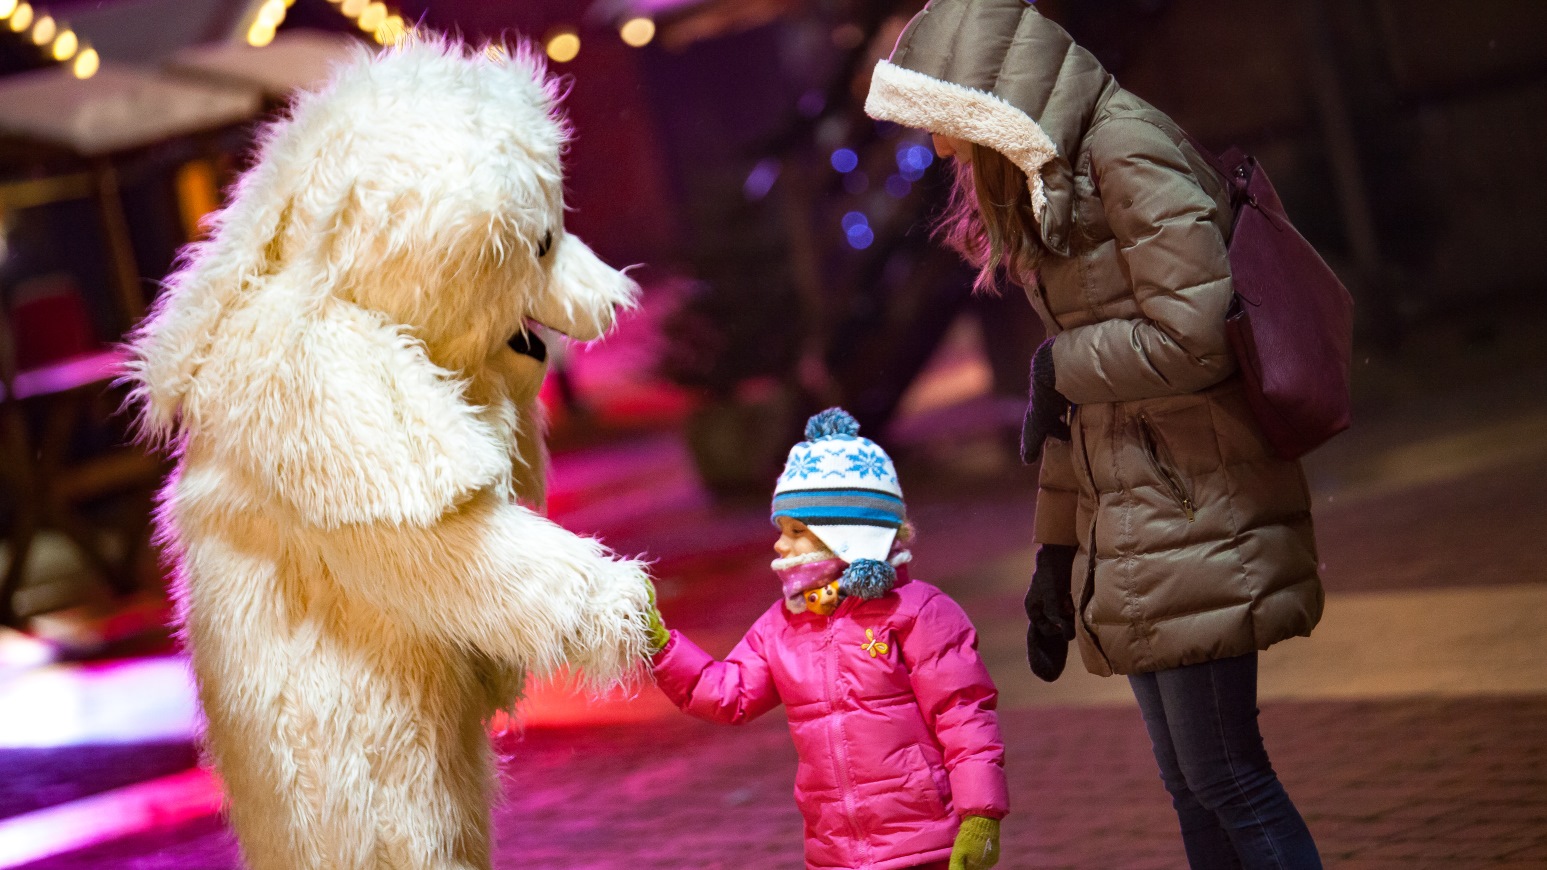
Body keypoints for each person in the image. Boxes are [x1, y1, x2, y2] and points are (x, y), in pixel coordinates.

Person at [863, 2, 1326, 869]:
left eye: (945, 125)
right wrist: (1055, 554)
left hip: (1198, 494)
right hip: (1143, 511)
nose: (939, 150)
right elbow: (1087, 397)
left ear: (990, 99)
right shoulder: (1059, 175)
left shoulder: (1124, 147)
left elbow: (1192, 335)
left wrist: (1058, 366)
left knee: (1229, 778)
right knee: (1191, 785)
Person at [644, 408, 1007, 870]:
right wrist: (658, 643)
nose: (780, 545)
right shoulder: (783, 624)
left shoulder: (917, 612)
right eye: (781, 531)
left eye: (796, 532)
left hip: (923, 841)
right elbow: (725, 693)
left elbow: (964, 716)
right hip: (835, 849)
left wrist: (980, 815)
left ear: (846, 538)